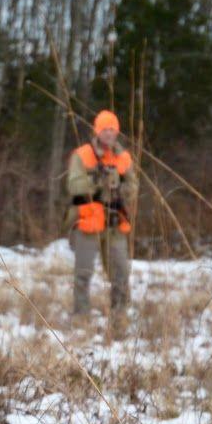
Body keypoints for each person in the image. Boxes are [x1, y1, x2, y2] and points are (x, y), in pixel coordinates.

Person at [65, 109, 138, 319]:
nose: (109, 133)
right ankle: (80, 316)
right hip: (88, 224)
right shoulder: (82, 155)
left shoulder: (124, 157)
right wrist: (98, 182)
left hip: (115, 224)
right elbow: (74, 185)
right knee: (83, 274)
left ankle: (119, 315)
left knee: (121, 273)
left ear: (117, 132)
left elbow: (133, 186)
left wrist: (119, 188)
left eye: (112, 129)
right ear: (97, 131)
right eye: (105, 129)